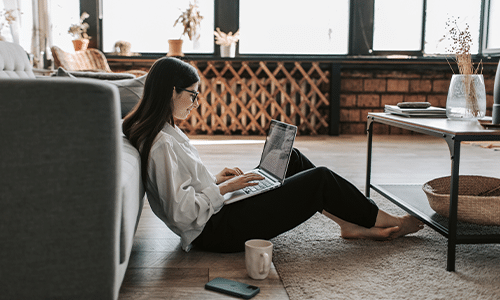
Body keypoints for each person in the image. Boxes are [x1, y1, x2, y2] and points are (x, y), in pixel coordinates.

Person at [122, 57, 424, 253]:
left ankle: (348, 224)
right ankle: (385, 220)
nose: (197, 103)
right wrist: (224, 189)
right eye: (193, 95)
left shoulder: (164, 131)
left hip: (216, 214)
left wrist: (216, 179)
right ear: (171, 91)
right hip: (214, 231)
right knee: (320, 179)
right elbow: (182, 213)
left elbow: (181, 189)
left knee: (291, 158)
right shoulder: (161, 143)